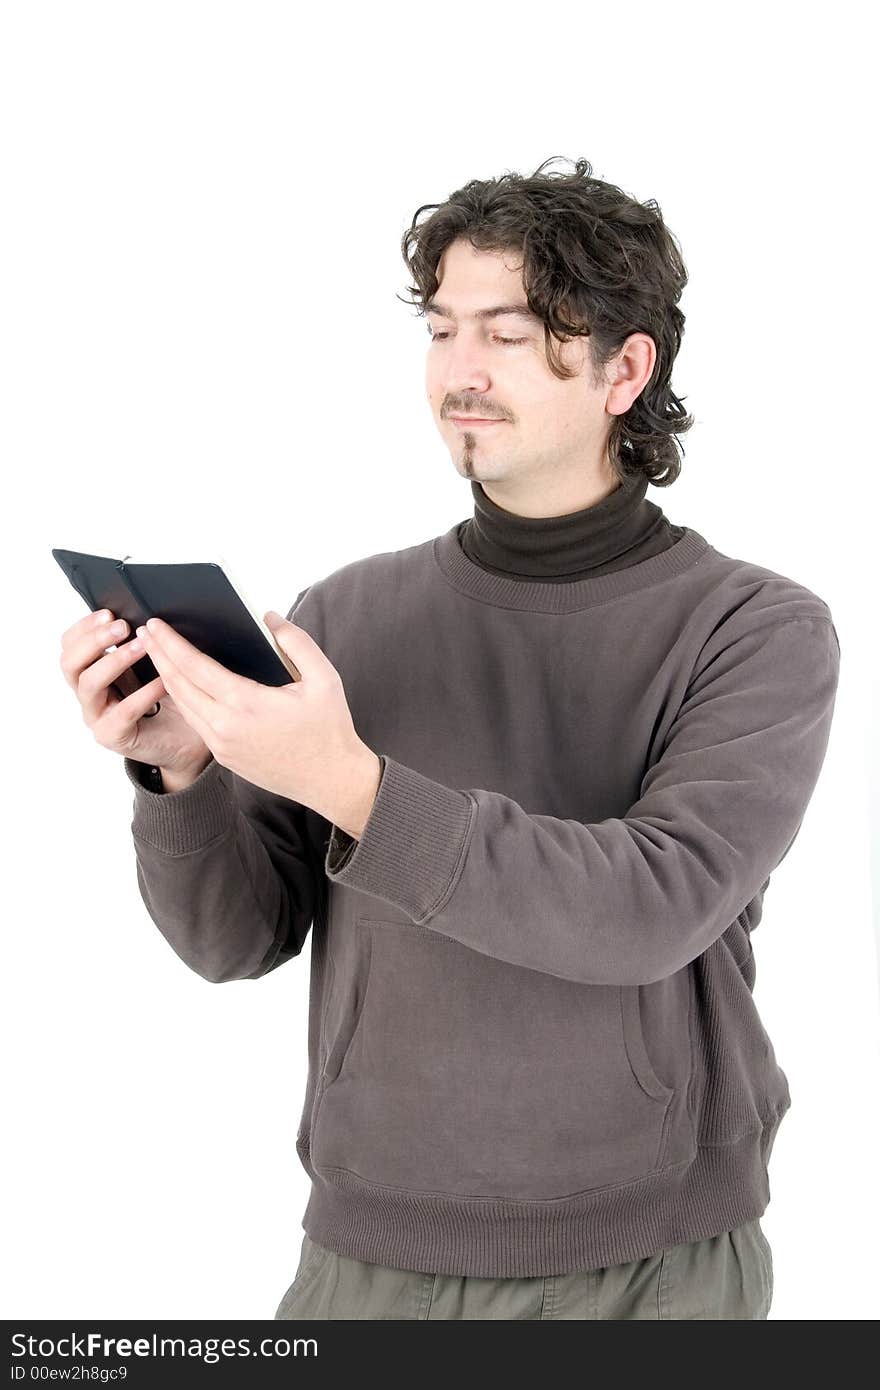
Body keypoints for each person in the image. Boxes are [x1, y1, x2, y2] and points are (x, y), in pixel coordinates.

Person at [59, 157, 839, 1319]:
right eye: (441, 330)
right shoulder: (347, 616)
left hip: (653, 1268)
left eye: (511, 335)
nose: (460, 374)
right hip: (364, 1262)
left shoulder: (756, 627)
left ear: (628, 367)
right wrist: (179, 771)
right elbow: (236, 938)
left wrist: (354, 784)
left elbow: (650, 904)